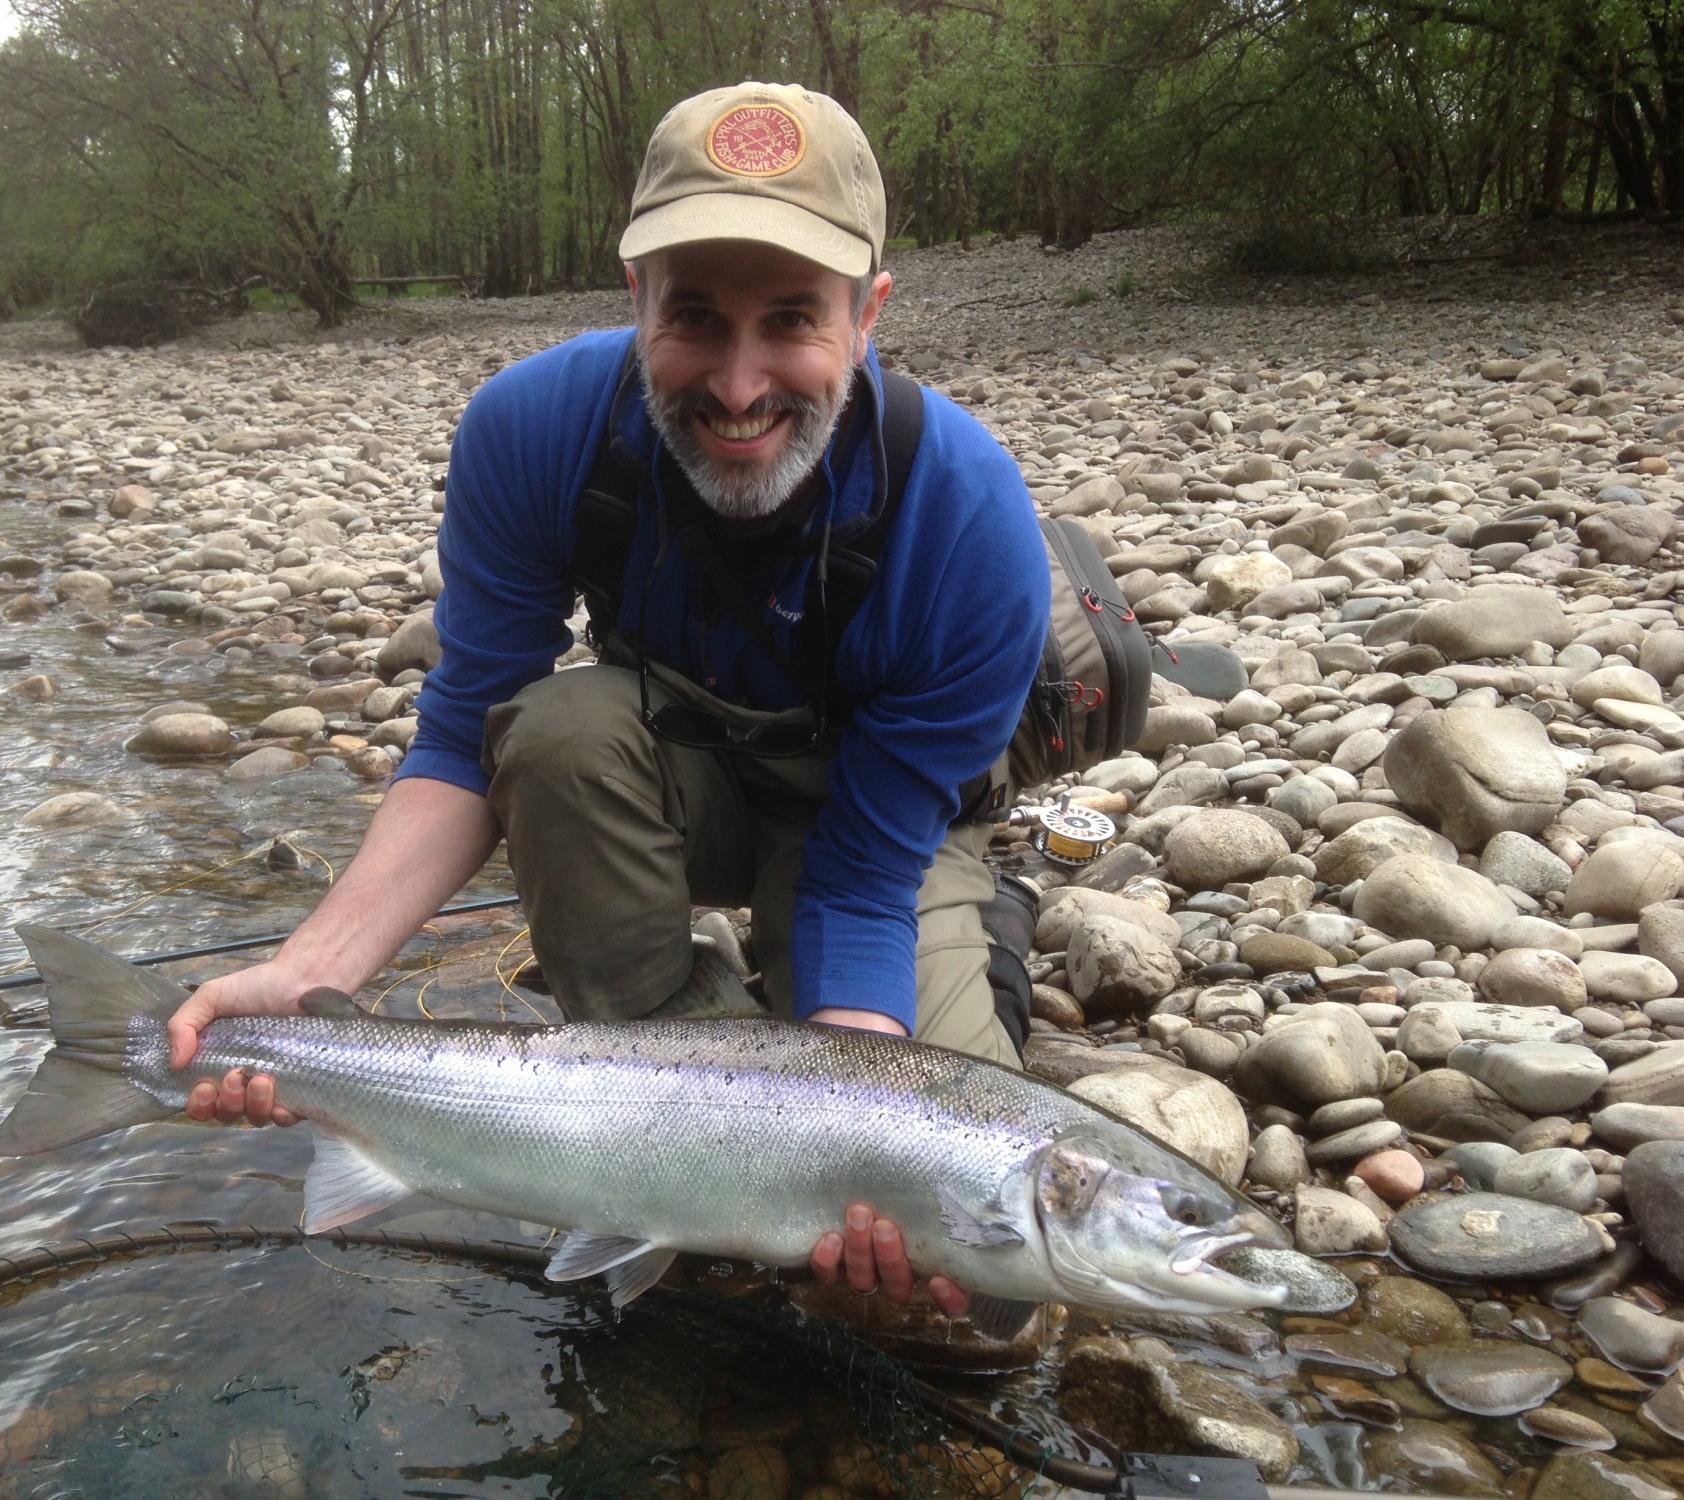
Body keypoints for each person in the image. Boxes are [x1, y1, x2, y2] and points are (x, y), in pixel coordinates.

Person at [166, 82, 1051, 1319]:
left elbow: (856, 880)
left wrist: (864, 1140)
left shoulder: (964, 521)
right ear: (633, 299)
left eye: (790, 320)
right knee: (556, 727)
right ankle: (647, 1159)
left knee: (968, 1302)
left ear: (867, 316)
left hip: (879, 842)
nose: (738, 386)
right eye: (694, 316)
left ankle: (974, 938)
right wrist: (305, 976)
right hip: (671, 785)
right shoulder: (534, 431)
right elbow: (464, 735)